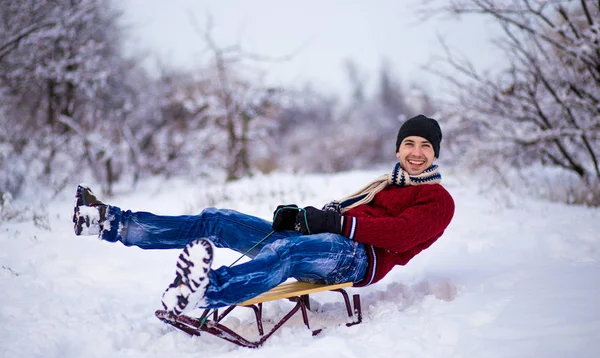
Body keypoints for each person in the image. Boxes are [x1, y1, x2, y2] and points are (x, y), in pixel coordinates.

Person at [72, 115, 455, 316]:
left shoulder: (438, 200)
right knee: (217, 219)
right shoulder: (385, 183)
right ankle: (110, 222)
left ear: (435, 154)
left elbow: (400, 235)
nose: (416, 152)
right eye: (409, 143)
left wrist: (332, 224)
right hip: (331, 244)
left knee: (285, 254)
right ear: (398, 149)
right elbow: (339, 218)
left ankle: (205, 291)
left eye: (425, 146)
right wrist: (304, 218)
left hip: (357, 260)